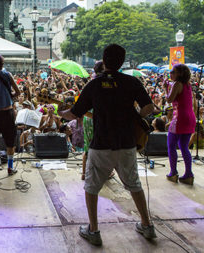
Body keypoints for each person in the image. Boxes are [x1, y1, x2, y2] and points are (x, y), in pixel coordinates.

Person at [59, 44, 156, 246]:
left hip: (101, 144)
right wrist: (135, 117)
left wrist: (61, 113)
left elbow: (74, 113)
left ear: (104, 61)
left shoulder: (94, 85)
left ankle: (93, 230)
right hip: (127, 142)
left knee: (92, 187)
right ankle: (147, 226)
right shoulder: (132, 82)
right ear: (122, 61)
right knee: (134, 184)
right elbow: (149, 107)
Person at [164, 64, 196, 185]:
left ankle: (173, 173)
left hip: (180, 118)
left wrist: (165, 88)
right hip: (190, 117)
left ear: (180, 74)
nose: (170, 73)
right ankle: (188, 174)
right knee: (184, 146)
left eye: (173, 72)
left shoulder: (177, 84)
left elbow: (169, 99)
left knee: (171, 145)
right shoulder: (188, 85)